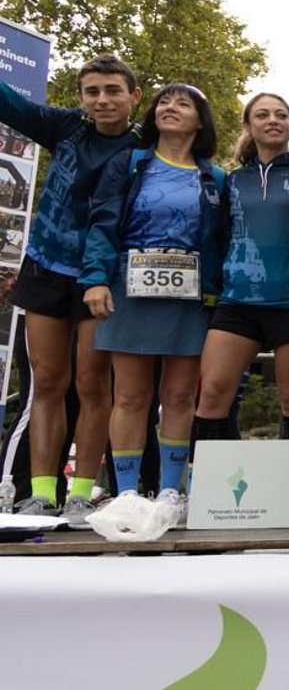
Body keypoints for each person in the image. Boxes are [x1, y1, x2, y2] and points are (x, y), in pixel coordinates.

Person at [0, 56, 141, 521]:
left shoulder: (141, 151)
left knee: (93, 385)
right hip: (45, 267)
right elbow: (12, 105)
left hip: (100, 280)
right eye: (93, 91)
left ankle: (82, 493)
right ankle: (42, 492)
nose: (103, 100)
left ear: (133, 97)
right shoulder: (67, 128)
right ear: (80, 97)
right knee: (47, 383)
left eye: (113, 91)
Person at [81, 84, 229, 511]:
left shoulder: (214, 177)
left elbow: (220, 239)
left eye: (183, 103)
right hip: (130, 288)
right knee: (129, 395)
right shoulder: (129, 164)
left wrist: (217, 293)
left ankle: (170, 490)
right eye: (164, 101)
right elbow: (102, 222)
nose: (170, 107)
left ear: (200, 121)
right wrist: (96, 279)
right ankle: (126, 491)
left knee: (181, 396)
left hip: (190, 295)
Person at [192, 94, 289, 448]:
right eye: (262, 115)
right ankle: (208, 489)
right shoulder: (233, 179)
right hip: (238, 301)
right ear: (248, 126)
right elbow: (218, 235)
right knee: (213, 392)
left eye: (281, 114)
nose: (272, 120)